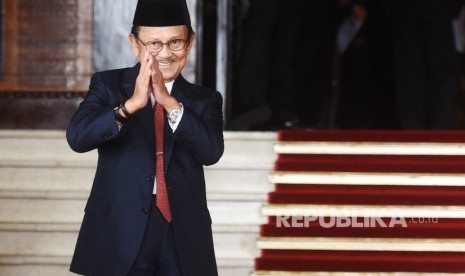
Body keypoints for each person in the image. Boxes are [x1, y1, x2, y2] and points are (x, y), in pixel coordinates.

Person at [66, 0, 224, 275]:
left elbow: (211, 152)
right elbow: (78, 138)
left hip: (181, 232)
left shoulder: (206, 100)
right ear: (135, 43)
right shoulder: (108, 85)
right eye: (154, 44)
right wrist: (128, 107)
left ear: (190, 42)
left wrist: (171, 104)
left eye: (175, 42)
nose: (165, 53)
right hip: (119, 228)